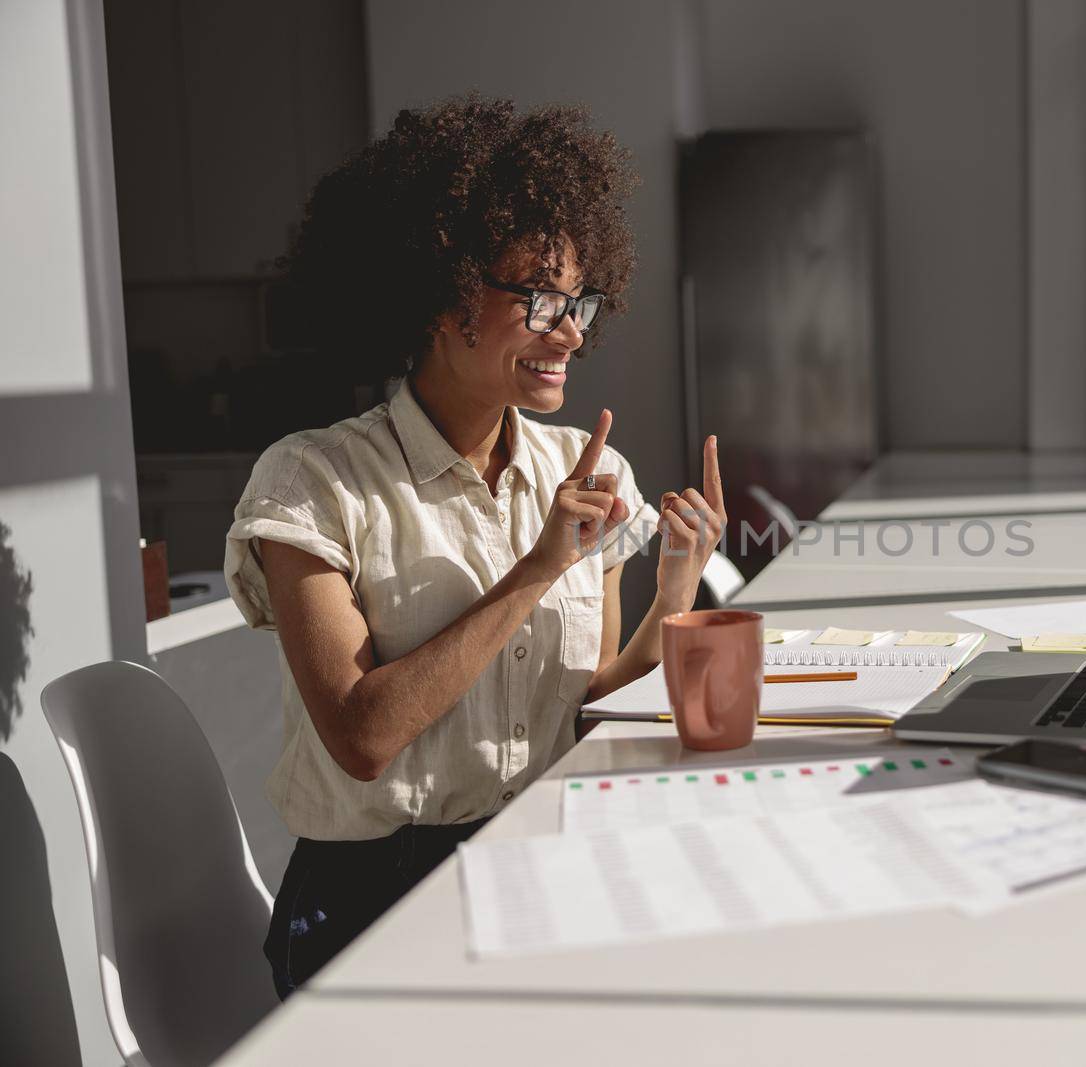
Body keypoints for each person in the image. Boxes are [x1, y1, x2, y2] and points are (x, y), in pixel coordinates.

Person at [223, 96, 726, 998]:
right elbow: (363, 736)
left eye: (577, 300)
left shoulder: (586, 465)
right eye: (538, 298)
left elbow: (589, 700)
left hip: (543, 864)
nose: (570, 330)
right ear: (441, 294)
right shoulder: (311, 482)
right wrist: (537, 569)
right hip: (369, 903)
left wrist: (675, 592)